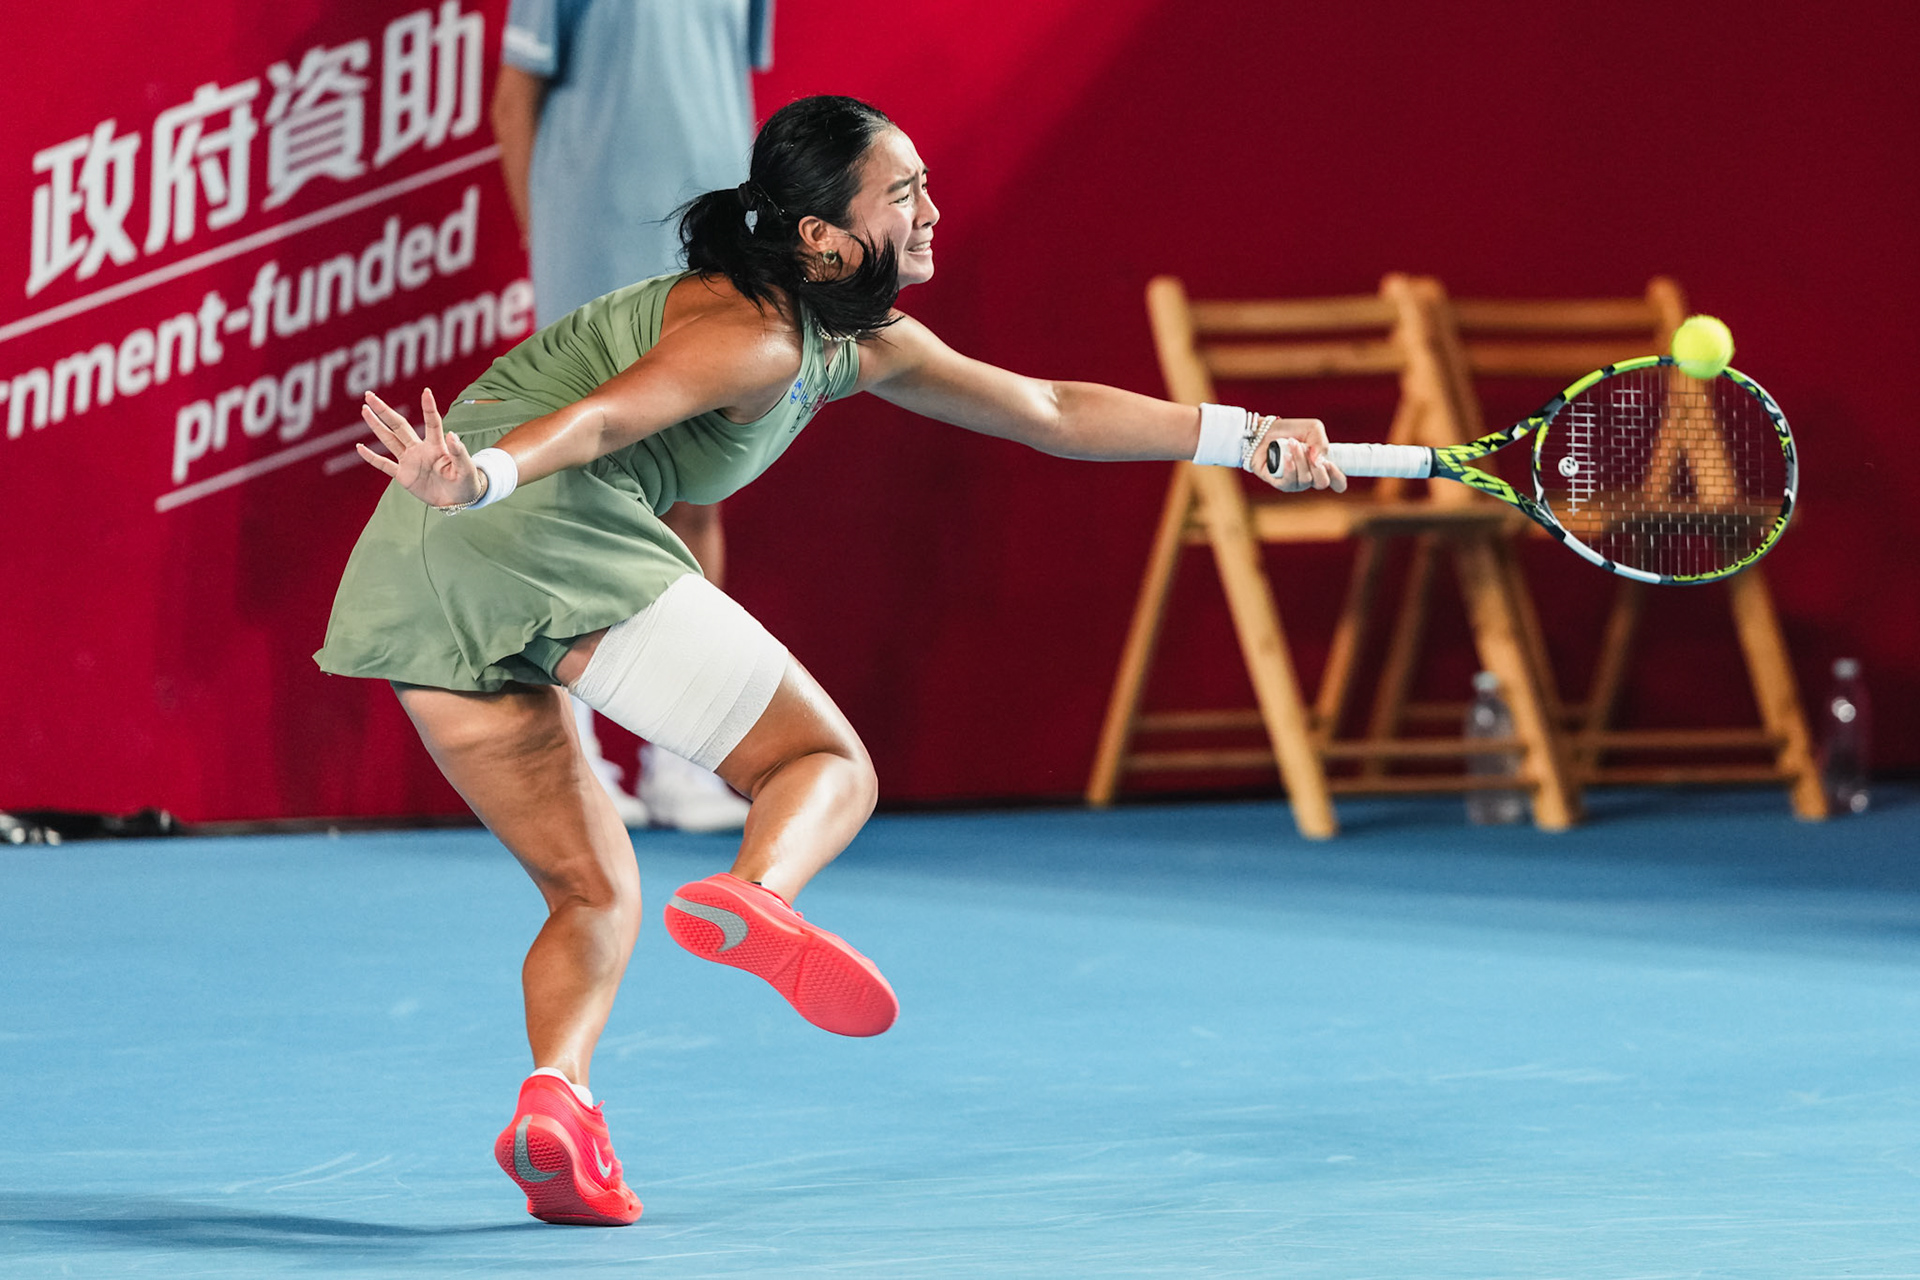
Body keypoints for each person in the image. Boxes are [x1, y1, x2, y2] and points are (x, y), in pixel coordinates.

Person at [315, 95, 1345, 1227]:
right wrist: (487, 478)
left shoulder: (858, 341)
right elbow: (607, 421)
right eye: (902, 195)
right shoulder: (748, 333)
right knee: (823, 763)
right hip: (532, 519)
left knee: (591, 885)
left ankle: (556, 1101)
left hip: (418, 571)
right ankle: (758, 892)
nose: (931, 211)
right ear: (822, 236)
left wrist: (1245, 436)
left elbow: (1050, 408)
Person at [490, 0, 776, 832]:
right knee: (575, 495)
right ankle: (568, 755)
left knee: (701, 486)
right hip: (592, 242)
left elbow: (727, 91)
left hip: (717, 249)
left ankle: (682, 756)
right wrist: (551, 246)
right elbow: (516, 99)